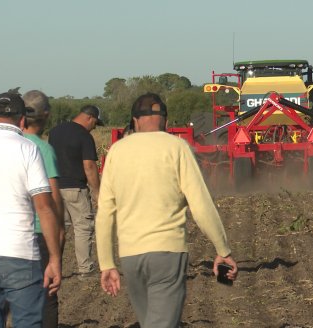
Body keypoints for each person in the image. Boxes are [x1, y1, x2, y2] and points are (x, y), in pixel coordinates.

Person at [96, 93, 238, 328]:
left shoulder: (117, 152)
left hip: (131, 258)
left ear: (134, 121)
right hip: (167, 254)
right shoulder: (177, 147)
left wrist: (106, 264)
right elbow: (201, 205)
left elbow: (105, 214)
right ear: (166, 121)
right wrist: (222, 249)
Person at [0, 92, 62, 328]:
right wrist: (54, 258)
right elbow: (44, 207)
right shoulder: (28, 148)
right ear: (22, 121)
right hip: (20, 253)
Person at [23, 90, 65, 327]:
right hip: (39, 232)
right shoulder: (43, 149)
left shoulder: (9, 144)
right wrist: (60, 230)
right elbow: (52, 198)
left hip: (8, 234)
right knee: (47, 294)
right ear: (46, 115)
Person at [48, 105, 103, 278]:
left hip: (55, 188)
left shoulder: (55, 132)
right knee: (83, 228)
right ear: (90, 118)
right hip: (75, 190)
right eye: (95, 123)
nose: (94, 127)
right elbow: (89, 166)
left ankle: (54, 267)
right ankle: (85, 269)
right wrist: (97, 192)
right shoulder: (84, 136)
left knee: (58, 229)